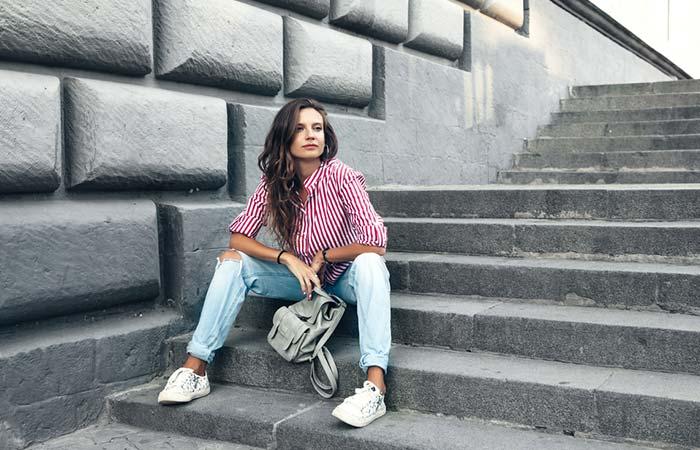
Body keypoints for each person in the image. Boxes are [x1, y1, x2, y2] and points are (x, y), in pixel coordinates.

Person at [157, 98, 391, 428]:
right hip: (302, 280)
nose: (311, 135)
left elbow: (376, 242)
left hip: (344, 278)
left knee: (369, 263)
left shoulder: (342, 177)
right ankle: (195, 369)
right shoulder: (274, 183)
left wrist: (325, 256)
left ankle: (375, 386)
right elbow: (238, 237)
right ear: (285, 137)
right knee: (233, 262)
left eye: (317, 128)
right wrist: (287, 258)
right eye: (299, 128)